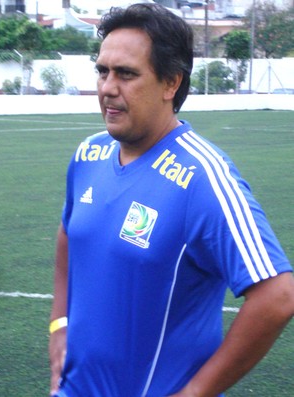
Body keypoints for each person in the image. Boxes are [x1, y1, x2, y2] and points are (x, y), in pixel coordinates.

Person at [49, 4, 294, 397]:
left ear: (171, 83)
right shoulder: (87, 155)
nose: (108, 87)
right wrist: (59, 324)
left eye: (126, 74)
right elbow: (69, 235)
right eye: (102, 71)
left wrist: (195, 392)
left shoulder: (202, 177)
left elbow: (278, 296)